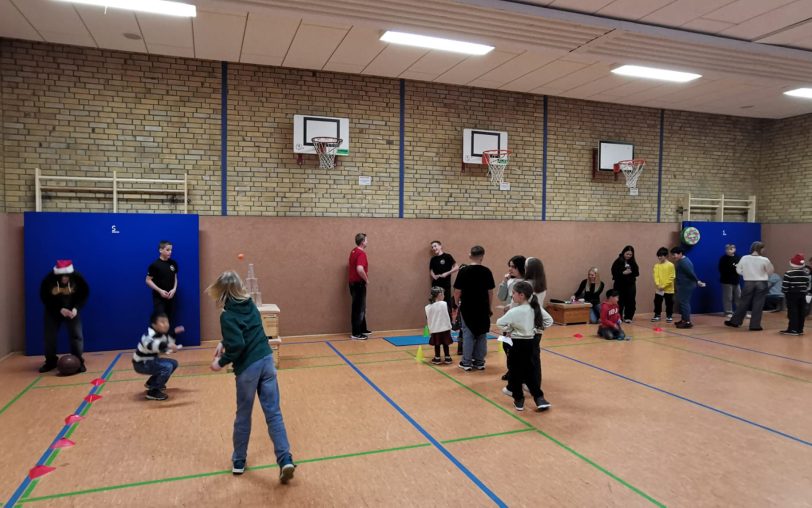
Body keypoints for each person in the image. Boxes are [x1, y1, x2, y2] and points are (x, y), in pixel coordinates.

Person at [208, 271, 296, 483]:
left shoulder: (227, 315)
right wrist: (223, 341)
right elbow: (246, 330)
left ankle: (239, 461)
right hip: (267, 361)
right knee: (274, 414)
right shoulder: (249, 305)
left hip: (248, 368)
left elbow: (238, 344)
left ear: (222, 291)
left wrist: (220, 362)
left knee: (243, 416)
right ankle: (285, 460)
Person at [496, 281, 552, 412]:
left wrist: (510, 328)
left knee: (515, 372)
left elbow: (499, 323)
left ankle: (519, 400)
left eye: (514, 293)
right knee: (530, 371)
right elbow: (549, 320)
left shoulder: (514, 311)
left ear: (521, 295)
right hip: (531, 343)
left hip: (516, 344)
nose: (512, 295)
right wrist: (537, 329)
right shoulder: (535, 308)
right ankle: (539, 398)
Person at [39, 260, 90, 373]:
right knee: (49, 337)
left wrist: (76, 308)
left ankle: (78, 361)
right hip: (53, 311)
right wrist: (59, 309)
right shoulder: (49, 279)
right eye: (62, 277)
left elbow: (84, 294)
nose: (64, 279)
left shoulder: (78, 278)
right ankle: (50, 362)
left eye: (67, 277)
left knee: (76, 336)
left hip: (71, 310)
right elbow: (44, 297)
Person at [453, 246, 495, 372]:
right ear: (482, 256)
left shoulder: (464, 271)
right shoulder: (487, 271)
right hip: (482, 307)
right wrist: (489, 306)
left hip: (468, 307)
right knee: (482, 334)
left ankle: (466, 362)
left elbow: (457, 291)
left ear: (470, 255)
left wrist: (457, 303)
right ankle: (479, 362)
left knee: (468, 334)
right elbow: (490, 292)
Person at [132, 312, 184, 401]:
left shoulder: (162, 335)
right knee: (167, 367)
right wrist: (168, 346)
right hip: (141, 364)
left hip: (151, 361)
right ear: (154, 324)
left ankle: (152, 383)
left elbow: (165, 347)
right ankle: (153, 391)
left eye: (167, 322)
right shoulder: (148, 335)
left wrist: (174, 334)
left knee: (174, 363)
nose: (166, 325)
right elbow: (152, 345)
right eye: (162, 322)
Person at [725, 241, 774, 331]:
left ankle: (735, 321)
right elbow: (770, 271)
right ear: (761, 249)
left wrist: (746, 274)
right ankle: (755, 325)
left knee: (743, 302)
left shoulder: (744, 258)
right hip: (761, 282)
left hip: (748, 282)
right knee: (758, 304)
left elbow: (738, 270)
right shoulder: (765, 260)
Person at [671, 246, 706, 329]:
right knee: (683, 302)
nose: (673, 256)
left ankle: (687, 322)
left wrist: (698, 281)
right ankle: (683, 320)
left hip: (686, 286)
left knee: (684, 303)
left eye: (674, 254)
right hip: (683, 285)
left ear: (680, 253)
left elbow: (691, 273)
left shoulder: (684, 262)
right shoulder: (681, 261)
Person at [146, 240, 179, 326]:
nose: (170, 252)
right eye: (167, 250)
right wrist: (160, 291)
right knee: (160, 320)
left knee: (168, 319)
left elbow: (175, 278)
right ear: (160, 250)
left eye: (171, 250)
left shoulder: (173, 263)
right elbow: (148, 280)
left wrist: (174, 289)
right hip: (159, 298)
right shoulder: (155, 265)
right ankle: (156, 338)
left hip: (170, 297)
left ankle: (166, 339)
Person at [780, 253, 811, 336]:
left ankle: (792, 329)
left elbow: (785, 285)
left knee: (792, 312)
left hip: (791, 295)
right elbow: (807, 285)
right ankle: (799, 329)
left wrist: (784, 292)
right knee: (801, 311)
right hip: (802, 294)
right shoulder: (806, 274)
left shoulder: (788, 273)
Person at [348, 233, 370, 340]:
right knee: (358, 308)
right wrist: (366, 279)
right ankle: (356, 333)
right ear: (362, 242)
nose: (367, 241)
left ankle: (362, 329)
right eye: (366, 240)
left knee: (360, 307)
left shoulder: (353, 251)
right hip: (358, 284)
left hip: (353, 284)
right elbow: (360, 269)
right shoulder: (361, 254)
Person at [611, 245, 639, 323]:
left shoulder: (633, 262)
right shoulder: (618, 261)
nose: (628, 256)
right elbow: (614, 272)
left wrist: (631, 272)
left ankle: (628, 317)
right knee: (620, 301)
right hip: (619, 285)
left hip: (630, 285)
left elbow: (637, 273)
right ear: (624, 253)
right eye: (627, 254)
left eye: (630, 255)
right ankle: (619, 316)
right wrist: (623, 273)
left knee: (630, 301)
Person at [429, 241, 458, 315]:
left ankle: (448, 324)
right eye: (432, 247)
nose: (434, 248)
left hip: (446, 285)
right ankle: (436, 323)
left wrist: (447, 273)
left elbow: (456, 267)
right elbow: (431, 271)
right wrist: (434, 276)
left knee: (447, 304)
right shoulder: (433, 259)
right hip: (435, 286)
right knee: (435, 304)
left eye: (435, 246)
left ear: (440, 246)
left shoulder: (448, 256)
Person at [425, 287, 453, 365]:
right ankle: (447, 357)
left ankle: (437, 358)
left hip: (435, 329)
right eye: (443, 294)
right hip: (445, 328)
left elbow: (427, 318)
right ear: (440, 295)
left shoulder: (428, 307)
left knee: (437, 344)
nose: (444, 296)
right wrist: (450, 324)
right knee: (445, 343)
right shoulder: (444, 304)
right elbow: (449, 314)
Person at [652, 247, 676, 323]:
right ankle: (657, 315)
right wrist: (658, 284)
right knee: (657, 302)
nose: (659, 257)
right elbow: (656, 276)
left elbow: (672, 276)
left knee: (669, 303)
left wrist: (664, 286)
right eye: (658, 256)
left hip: (668, 289)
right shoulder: (656, 265)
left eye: (661, 256)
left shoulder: (670, 265)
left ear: (666, 256)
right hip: (659, 289)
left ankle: (669, 316)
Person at [718, 244, 741, 318]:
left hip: (736, 280)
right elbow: (721, 269)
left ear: (734, 249)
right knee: (728, 297)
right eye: (727, 249)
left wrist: (737, 269)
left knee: (739, 296)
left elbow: (741, 268)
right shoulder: (723, 259)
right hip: (726, 281)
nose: (728, 250)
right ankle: (728, 312)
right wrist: (733, 268)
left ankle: (740, 312)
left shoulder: (738, 258)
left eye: (730, 249)